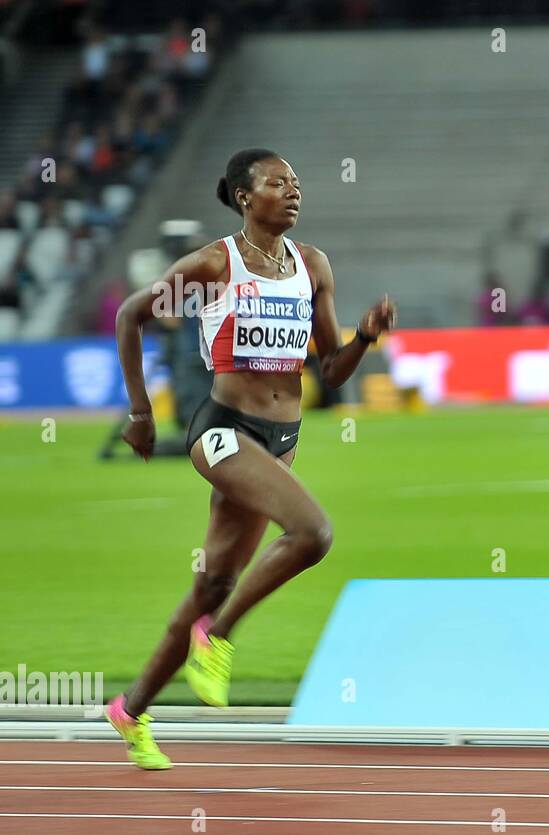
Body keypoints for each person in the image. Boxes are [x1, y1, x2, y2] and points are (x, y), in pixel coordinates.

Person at [106, 148, 396, 769]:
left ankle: (131, 709)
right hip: (223, 431)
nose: (293, 193)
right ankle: (218, 637)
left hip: (280, 440)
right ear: (245, 197)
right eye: (277, 183)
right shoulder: (215, 263)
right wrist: (139, 413)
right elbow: (132, 316)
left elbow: (330, 370)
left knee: (212, 582)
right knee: (313, 534)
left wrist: (364, 338)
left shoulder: (312, 266)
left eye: (296, 183)